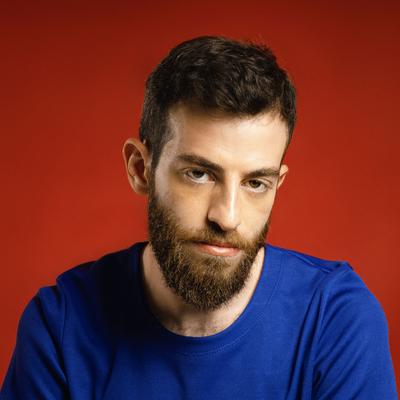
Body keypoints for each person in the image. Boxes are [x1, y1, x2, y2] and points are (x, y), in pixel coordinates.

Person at [1, 36, 397, 400]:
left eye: (255, 183)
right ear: (140, 169)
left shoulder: (336, 319)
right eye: (198, 174)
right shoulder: (60, 325)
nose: (227, 216)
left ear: (278, 183)